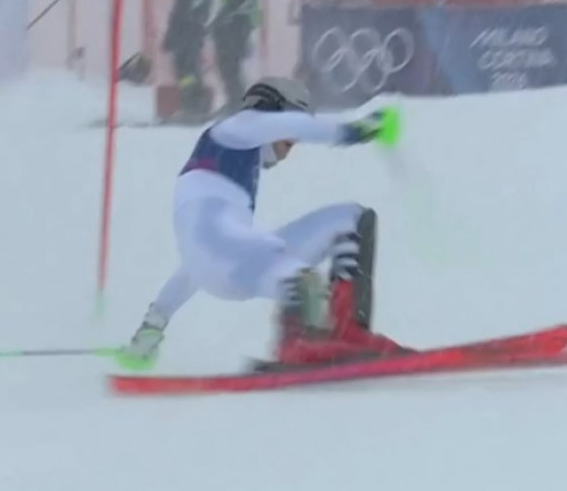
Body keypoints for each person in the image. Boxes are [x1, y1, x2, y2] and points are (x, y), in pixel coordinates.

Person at [117, 77, 403, 371]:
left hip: (241, 260)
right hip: (237, 258)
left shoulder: (232, 167)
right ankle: (300, 343)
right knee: (304, 283)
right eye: (292, 130)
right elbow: (207, 251)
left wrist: (153, 324)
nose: (293, 143)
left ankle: (346, 332)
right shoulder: (234, 128)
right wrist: (357, 129)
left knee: (353, 220)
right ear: (273, 109)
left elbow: (195, 264)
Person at [162, 0, 215, 120]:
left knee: (187, 70)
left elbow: (181, 13)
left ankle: (192, 106)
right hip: (191, 34)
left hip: (186, 35)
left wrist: (172, 34)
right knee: (189, 70)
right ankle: (193, 105)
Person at [210, 0, 260, 114]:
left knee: (229, 66)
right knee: (231, 66)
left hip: (235, 25)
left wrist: (218, 20)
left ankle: (236, 104)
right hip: (237, 25)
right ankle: (235, 101)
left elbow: (233, 2)